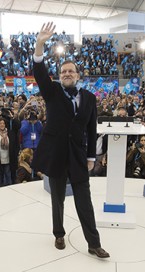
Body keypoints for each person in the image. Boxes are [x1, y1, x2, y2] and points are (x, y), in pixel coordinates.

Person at [32, 22, 109, 258]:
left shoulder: (88, 98)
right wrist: (40, 44)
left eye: (71, 71)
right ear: (60, 76)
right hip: (56, 154)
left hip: (77, 156)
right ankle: (58, 234)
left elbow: (91, 128)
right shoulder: (52, 91)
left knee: (84, 200)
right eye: (63, 71)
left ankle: (93, 243)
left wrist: (90, 157)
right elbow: (39, 72)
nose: (67, 74)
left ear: (78, 76)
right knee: (57, 200)